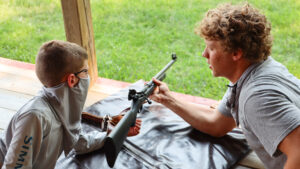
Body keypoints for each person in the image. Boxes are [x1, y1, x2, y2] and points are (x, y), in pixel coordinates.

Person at [150, 3, 300, 169]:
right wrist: (168, 99)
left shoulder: (256, 97)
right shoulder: (256, 71)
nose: (204, 54)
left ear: (236, 53)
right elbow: (217, 124)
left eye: (212, 48)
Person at [0, 40, 141, 169]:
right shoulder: (35, 116)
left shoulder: (62, 107)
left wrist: (115, 135)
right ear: (72, 80)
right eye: (85, 72)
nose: (88, 76)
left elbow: (78, 142)